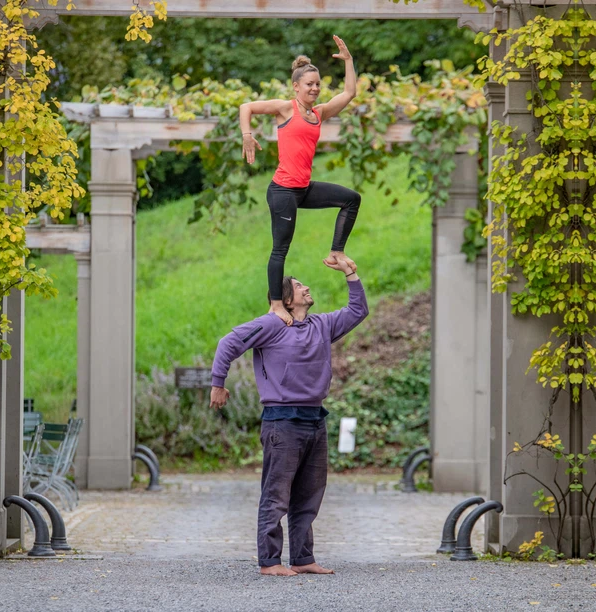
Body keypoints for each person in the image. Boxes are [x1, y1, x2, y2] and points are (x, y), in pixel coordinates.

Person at [209, 257, 369, 576]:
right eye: (299, 286)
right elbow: (228, 343)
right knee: (277, 494)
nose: (306, 287)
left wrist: (350, 273)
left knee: (309, 494)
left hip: (314, 419)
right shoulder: (270, 324)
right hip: (281, 420)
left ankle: (302, 558)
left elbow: (357, 312)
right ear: (284, 298)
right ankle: (269, 562)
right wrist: (217, 383)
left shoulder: (321, 326)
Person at [240, 35, 361, 326]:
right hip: (282, 191)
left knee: (351, 199)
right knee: (281, 248)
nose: (315, 89)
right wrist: (247, 135)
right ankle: (276, 305)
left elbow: (349, 93)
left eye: (318, 84)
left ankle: (336, 251)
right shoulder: (286, 108)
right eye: (309, 84)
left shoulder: (318, 114)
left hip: (303, 190)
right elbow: (247, 107)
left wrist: (348, 61)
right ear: (296, 87)